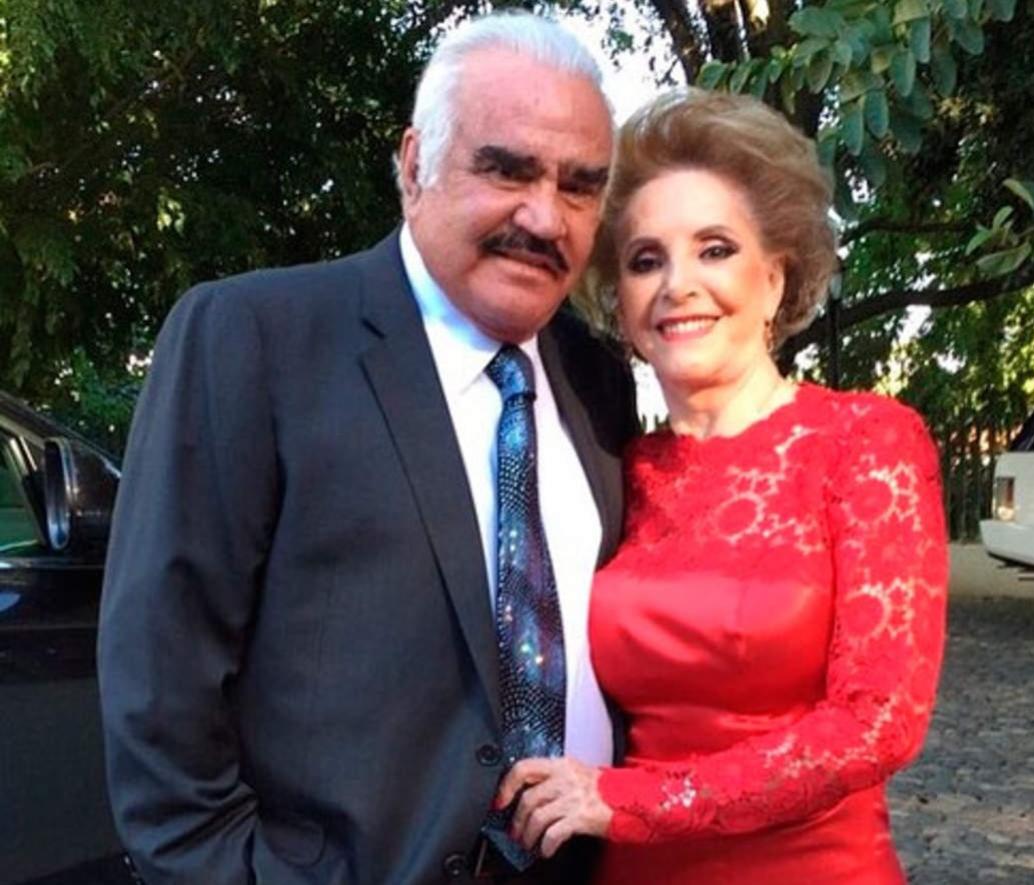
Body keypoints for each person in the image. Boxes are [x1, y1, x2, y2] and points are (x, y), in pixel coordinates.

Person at [98, 13, 636, 885]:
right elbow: (160, 688)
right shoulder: (254, 338)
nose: (545, 217)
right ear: (415, 164)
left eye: (580, 187)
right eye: (506, 169)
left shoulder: (597, 377)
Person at [494, 89, 949, 883]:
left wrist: (630, 801)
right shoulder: (617, 467)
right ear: (621, 304)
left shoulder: (866, 442)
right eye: (646, 260)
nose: (678, 284)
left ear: (773, 278)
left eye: (714, 249)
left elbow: (878, 724)